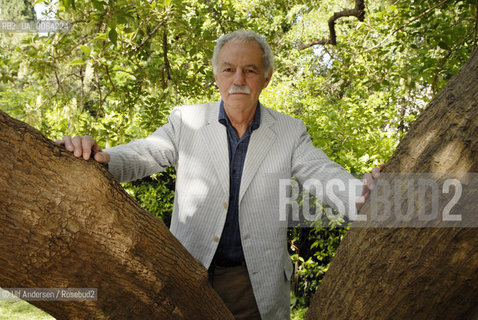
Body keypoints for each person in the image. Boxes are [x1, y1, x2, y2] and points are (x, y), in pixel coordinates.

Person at [57, 30, 382, 319]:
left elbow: (321, 173)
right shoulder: (187, 121)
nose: (238, 78)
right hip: (189, 273)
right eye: (229, 69)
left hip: (254, 285)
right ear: (217, 75)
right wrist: (101, 158)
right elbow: (145, 152)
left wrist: (359, 194)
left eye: (250, 70)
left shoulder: (289, 132)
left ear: (266, 77)